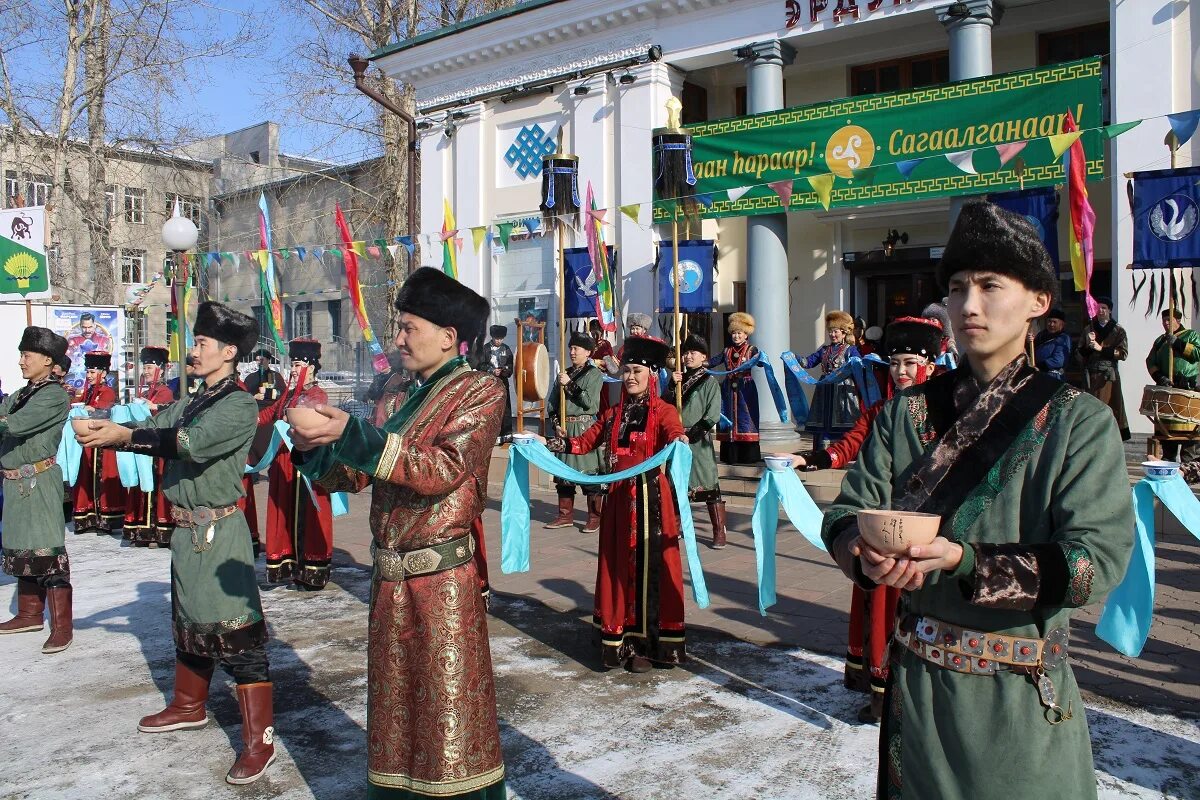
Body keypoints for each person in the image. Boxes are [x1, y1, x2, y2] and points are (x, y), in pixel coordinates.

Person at [821, 200, 1133, 799]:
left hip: (1017, 696)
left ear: (1039, 302)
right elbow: (844, 510)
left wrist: (963, 561)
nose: (968, 305)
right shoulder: (904, 414)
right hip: (918, 695)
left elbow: (1093, 566)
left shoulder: (1079, 424)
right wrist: (861, 552)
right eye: (959, 287)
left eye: (991, 286)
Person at [288, 266, 507, 799]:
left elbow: (438, 470)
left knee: (448, 722)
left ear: (449, 337)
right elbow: (362, 474)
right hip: (391, 583)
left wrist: (355, 433)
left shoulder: (479, 391)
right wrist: (315, 447)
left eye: (409, 328)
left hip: (442, 587)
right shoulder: (406, 395)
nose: (398, 339)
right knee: (396, 717)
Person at [78, 302, 275, 785]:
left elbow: (187, 442)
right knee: (189, 621)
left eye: (203, 343)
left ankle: (260, 741)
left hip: (219, 530)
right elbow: (162, 425)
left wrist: (125, 435)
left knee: (236, 630)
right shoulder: (195, 398)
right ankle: (189, 706)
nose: (194, 351)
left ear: (229, 352)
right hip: (187, 530)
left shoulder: (237, 403)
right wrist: (111, 430)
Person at [787, 316, 943, 722]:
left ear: (931, 363)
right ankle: (881, 696)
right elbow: (851, 444)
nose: (902, 371)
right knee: (882, 608)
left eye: (911, 362)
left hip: (934, 531)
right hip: (885, 525)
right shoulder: (882, 410)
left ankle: (926, 699)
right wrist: (808, 458)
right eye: (896, 363)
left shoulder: (952, 408)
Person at [541, 336, 690, 672]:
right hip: (618, 502)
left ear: (652, 374)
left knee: (648, 571)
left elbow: (674, 432)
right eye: (626, 371)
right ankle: (618, 639)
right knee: (616, 567)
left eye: (636, 371)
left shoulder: (663, 411)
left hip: (651, 502)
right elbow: (582, 443)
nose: (630, 377)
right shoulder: (613, 413)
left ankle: (648, 646)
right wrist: (549, 443)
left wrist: (680, 439)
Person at [0, 327, 73, 654]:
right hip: (15, 482)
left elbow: (15, 424)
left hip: (38, 481)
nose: (21, 362)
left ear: (48, 360)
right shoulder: (22, 393)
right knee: (21, 547)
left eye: (27, 355)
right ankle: (29, 614)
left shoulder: (54, 395)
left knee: (46, 549)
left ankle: (62, 627)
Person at [259, 338, 334, 590]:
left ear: (312, 367)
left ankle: (311, 569)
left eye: (299, 364)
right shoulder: (288, 396)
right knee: (285, 513)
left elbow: (312, 425)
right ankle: (289, 564)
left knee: (308, 514)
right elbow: (267, 415)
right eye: (292, 363)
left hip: (306, 463)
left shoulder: (317, 395)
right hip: (284, 464)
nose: (293, 368)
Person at [667, 333, 726, 549]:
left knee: (708, 483)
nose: (688, 356)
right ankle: (674, 528)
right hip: (676, 436)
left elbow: (712, 415)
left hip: (698, 439)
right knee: (675, 483)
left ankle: (719, 530)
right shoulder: (677, 379)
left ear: (704, 357)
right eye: (686, 352)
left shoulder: (709, 382)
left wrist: (690, 436)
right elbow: (665, 407)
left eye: (693, 353)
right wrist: (672, 387)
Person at [544, 331, 606, 533]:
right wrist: (556, 423)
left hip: (584, 428)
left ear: (587, 352)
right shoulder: (564, 373)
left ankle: (594, 517)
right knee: (563, 477)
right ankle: (565, 515)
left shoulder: (594, 374)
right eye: (570, 348)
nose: (572, 352)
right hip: (565, 429)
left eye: (576, 348)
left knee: (589, 475)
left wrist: (569, 384)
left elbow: (589, 403)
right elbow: (552, 404)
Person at [123, 346, 177, 547]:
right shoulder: (147, 392)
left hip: (157, 449)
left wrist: (149, 407)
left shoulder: (164, 393)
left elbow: (165, 419)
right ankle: (142, 529)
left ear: (161, 370)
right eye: (144, 367)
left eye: (149, 367)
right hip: (143, 447)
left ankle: (157, 531)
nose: (145, 371)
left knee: (156, 487)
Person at [72, 351, 125, 534]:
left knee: (101, 478)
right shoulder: (86, 393)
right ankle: (88, 517)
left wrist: (92, 409)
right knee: (86, 477)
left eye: (92, 372)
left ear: (103, 373)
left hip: (102, 443)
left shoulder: (107, 391)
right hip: (89, 443)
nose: (89, 376)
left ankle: (105, 519)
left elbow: (106, 410)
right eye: (87, 372)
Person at [801, 310, 862, 450]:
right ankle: (822, 451)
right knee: (823, 419)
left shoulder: (850, 350)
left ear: (844, 332)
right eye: (830, 331)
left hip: (843, 390)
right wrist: (793, 358)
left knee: (842, 419)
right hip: (824, 389)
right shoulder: (824, 350)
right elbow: (808, 362)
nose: (832, 335)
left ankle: (841, 451)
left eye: (836, 331)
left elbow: (859, 366)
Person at [710, 312, 763, 465]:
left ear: (746, 335)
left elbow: (759, 361)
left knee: (747, 419)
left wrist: (760, 359)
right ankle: (730, 455)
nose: (736, 336)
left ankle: (748, 456)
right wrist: (700, 362)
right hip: (728, 390)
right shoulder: (726, 351)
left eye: (739, 333)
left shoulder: (751, 349)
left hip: (745, 389)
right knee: (728, 418)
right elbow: (713, 361)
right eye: (733, 333)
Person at [1076, 296, 1131, 441]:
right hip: (1091, 374)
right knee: (1090, 406)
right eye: (1098, 308)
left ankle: (1109, 435)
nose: (1100, 311)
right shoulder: (1089, 329)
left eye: (1104, 308)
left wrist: (1101, 349)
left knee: (1108, 405)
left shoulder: (1118, 330)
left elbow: (1122, 353)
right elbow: (1079, 353)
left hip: (1108, 375)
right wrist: (1089, 345)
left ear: (1110, 310)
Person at [479, 324, 514, 442]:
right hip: (489, 383)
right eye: (496, 338)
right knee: (491, 408)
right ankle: (491, 435)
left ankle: (507, 433)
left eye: (501, 338)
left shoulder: (507, 349)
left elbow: (511, 366)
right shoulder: (485, 349)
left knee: (505, 407)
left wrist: (504, 371)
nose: (499, 341)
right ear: (492, 337)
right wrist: (492, 371)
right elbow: (480, 365)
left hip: (503, 382)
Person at [1033, 308, 1072, 380]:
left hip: (1053, 376)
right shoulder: (1041, 335)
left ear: (1062, 324)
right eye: (1049, 321)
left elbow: (1058, 360)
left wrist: (1040, 365)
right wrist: (1029, 341)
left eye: (1054, 322)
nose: (1051, 324)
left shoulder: (1063, 338)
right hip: (1038, 374)